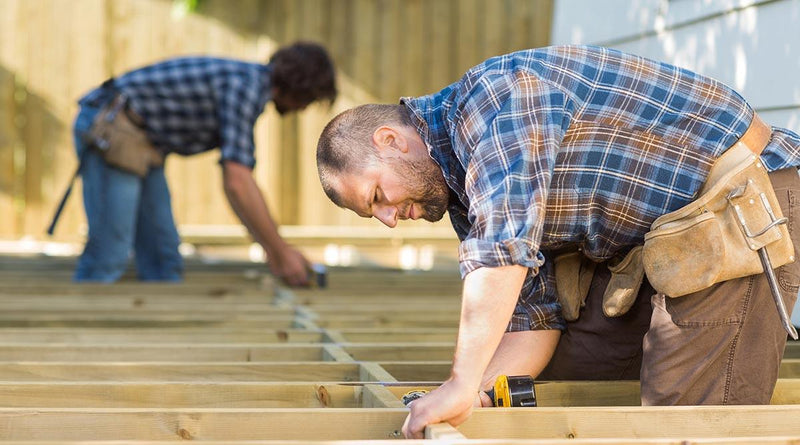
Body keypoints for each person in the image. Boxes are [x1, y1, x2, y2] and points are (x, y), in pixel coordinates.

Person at [315, 45, 800, 438]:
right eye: (372, 213)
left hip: (741, 206)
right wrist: (477, 392)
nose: (387, 220)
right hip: (668, 245)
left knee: (684, 421)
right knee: (573, 369)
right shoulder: (464, 192)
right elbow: (533, 319)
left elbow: (502, 247)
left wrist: (460, 380)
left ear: (390, 140)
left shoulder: (492, 101)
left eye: (377, 195)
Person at [67, 42, 336, 285]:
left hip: (144, 140)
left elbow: (238, 188)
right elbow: (237, 182)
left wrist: (276, 250)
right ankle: (81, 325)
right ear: (301, 87)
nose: (303, 109)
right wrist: (279, 252)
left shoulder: (250, 84)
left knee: (163, 260)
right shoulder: (245, 86)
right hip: (111, 126)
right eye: (309, 100)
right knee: (110, 251)